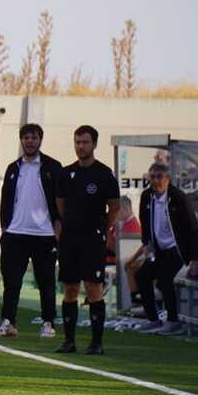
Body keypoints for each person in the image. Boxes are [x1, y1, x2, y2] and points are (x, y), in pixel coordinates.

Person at [0, 123, 64, 339]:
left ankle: (48, 322)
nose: (29, 141)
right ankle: (8, 322)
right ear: (21, 140)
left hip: (44, 236)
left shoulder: (53, 167)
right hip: (15, 235)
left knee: (46, 282)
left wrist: (58, 226)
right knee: (11, 283)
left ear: (41, 139)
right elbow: (5, 201)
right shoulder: (14, 168)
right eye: (26, 137)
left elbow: (61, 201)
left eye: (34, 137)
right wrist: (5, 229)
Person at [56, 126, 119, 355]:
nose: (80, 146)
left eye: (85, 142)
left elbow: (114, 207)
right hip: (70, 238)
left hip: (93, 238)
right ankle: (69, 341)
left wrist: (104, 227)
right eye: (77, 142)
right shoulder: (66, 173)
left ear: (94, 144)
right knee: (70, 288)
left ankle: (96, 343)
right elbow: (60, 202)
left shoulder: (104, 174)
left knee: (93, 288)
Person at [137, 162, 198, 335]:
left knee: (165, 278)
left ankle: (173, 321)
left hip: (178, 248)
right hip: (158, 249)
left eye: (159, 177)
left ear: (167, 179)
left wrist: (196, 258)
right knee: (141, 275)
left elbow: (193, 229)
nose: (155, 181)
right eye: (152, 177)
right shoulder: (146, 196)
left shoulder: (179, 197)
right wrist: (147, 243)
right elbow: (145, 224)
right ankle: (153, 319)